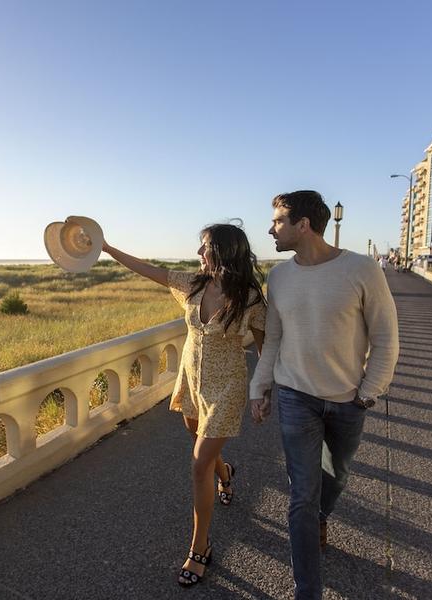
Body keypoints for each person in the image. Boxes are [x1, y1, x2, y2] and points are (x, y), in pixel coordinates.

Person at [249, 190, 399, 600]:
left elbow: (386, 337)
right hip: (296, 398)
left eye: (278, 220)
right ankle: (307, 591)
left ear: (304, 225)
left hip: (348, 399)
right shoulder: (278, 277)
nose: (270, 229)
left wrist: (368, 393)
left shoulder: (362, 269)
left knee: (336, 478)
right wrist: (258, 386)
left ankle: (322, 516)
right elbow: (274, 338)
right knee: (301, 494)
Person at [101, 223, 267, 587]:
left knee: (197, 464)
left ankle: (199, 547)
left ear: (222, 251)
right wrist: (109, 248)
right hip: (191, 378)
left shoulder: (250, 296)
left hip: (227, 384)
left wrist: (263, 390)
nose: (198, 253)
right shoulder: (192, 284)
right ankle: (226, 475)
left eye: (204, 247)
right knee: (197, 441)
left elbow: (264, 346)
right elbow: (150, 270)